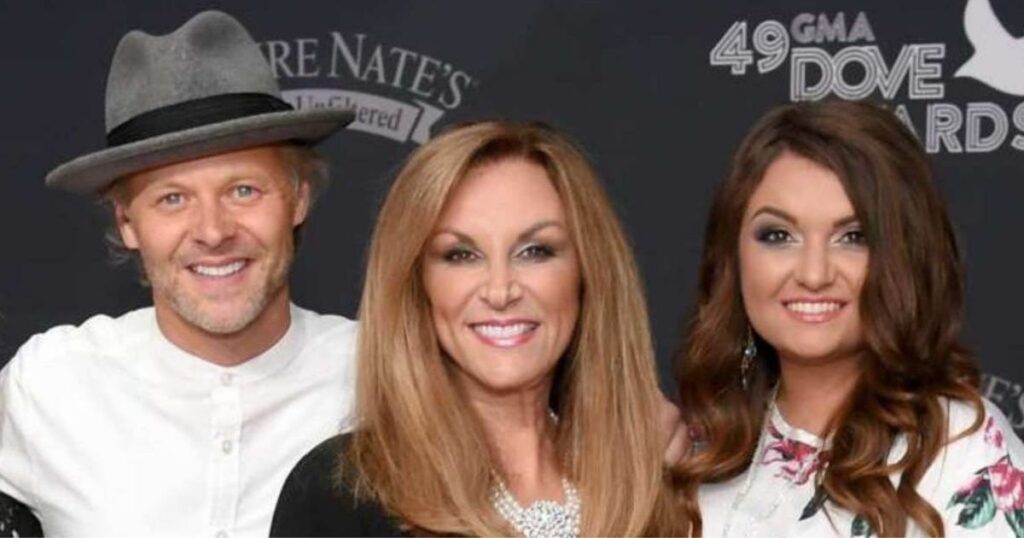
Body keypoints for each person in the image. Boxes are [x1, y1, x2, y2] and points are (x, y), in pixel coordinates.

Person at [0, 11, 359, 537]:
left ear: (299, 198)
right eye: (173, 199)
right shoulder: (52, 384)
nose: (212, 231)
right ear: (127, 222)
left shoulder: (383, 376)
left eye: (243, 190)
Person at [270, 121, 691, 536]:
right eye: (461, 255)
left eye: (535, 251)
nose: (500, 289)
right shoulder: (343, 491)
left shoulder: (648, 479)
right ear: (417, 284)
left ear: (587, 271)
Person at [673, 100, 1024, 537]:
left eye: (853, 237)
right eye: (778, 236)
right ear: (732, 257)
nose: (813, 274)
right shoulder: (700, 450)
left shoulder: (960, 445)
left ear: (903, 258)